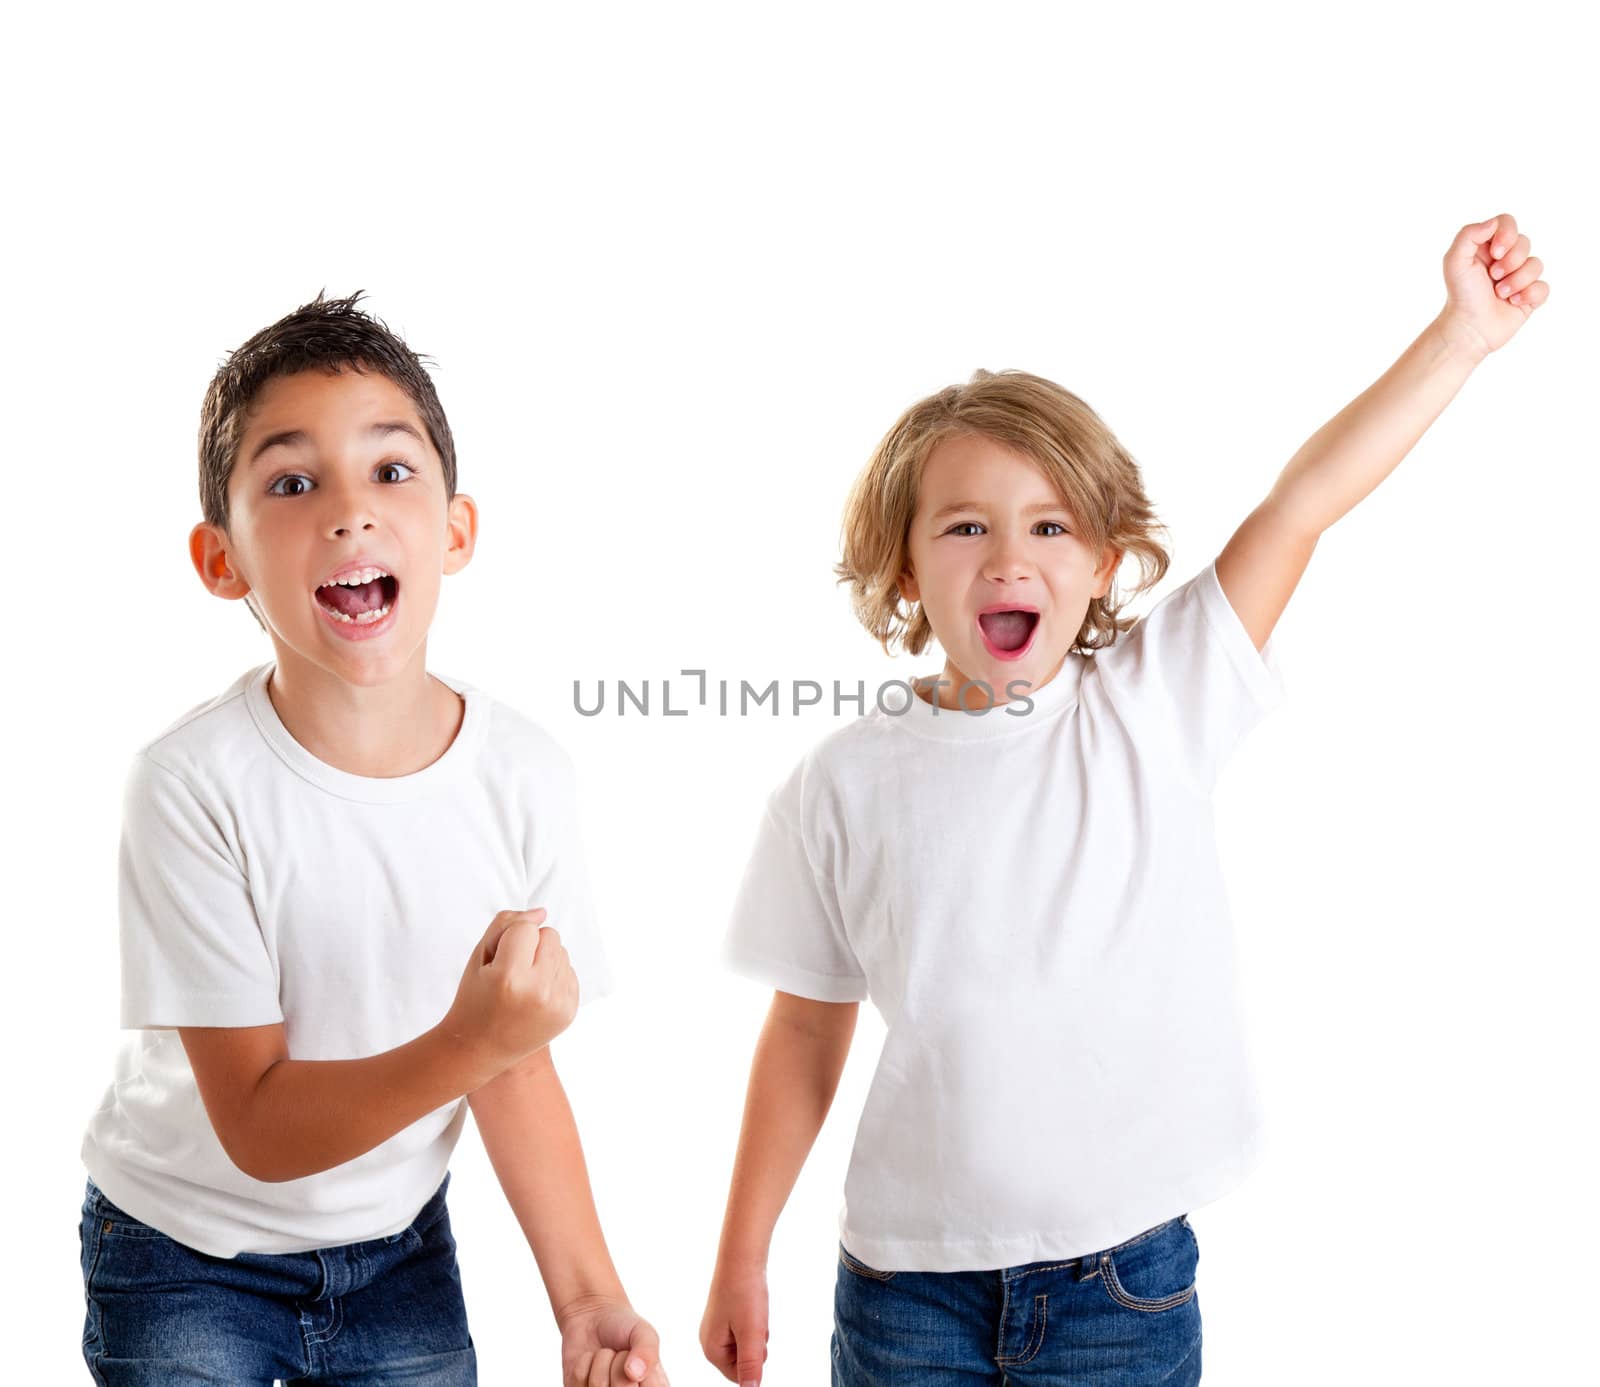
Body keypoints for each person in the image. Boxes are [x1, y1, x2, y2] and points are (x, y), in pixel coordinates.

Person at [699, 213, 1547, 1386]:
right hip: (904, 1291)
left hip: (1119, 1289)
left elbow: (1299, 505)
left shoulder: (1155, 701)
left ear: (1102, 565)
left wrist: (1457, 338)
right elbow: (802, 1032)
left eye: (1050, 527)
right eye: (965, 527)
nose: (1009, 557)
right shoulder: (841, 778)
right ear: (904, 567)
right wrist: (741, 1253)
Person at [78, 291, 668, 1387]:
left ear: (455, 531)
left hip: (395, 1250)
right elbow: (255, 1122)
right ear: (223, 560)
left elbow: (512, 1063)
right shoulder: (191, 784)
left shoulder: (522, 774)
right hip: (185, 1252)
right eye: (292, 482)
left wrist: (588, 1298)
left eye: (390, 470)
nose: (350, 512)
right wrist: (469, 1037)